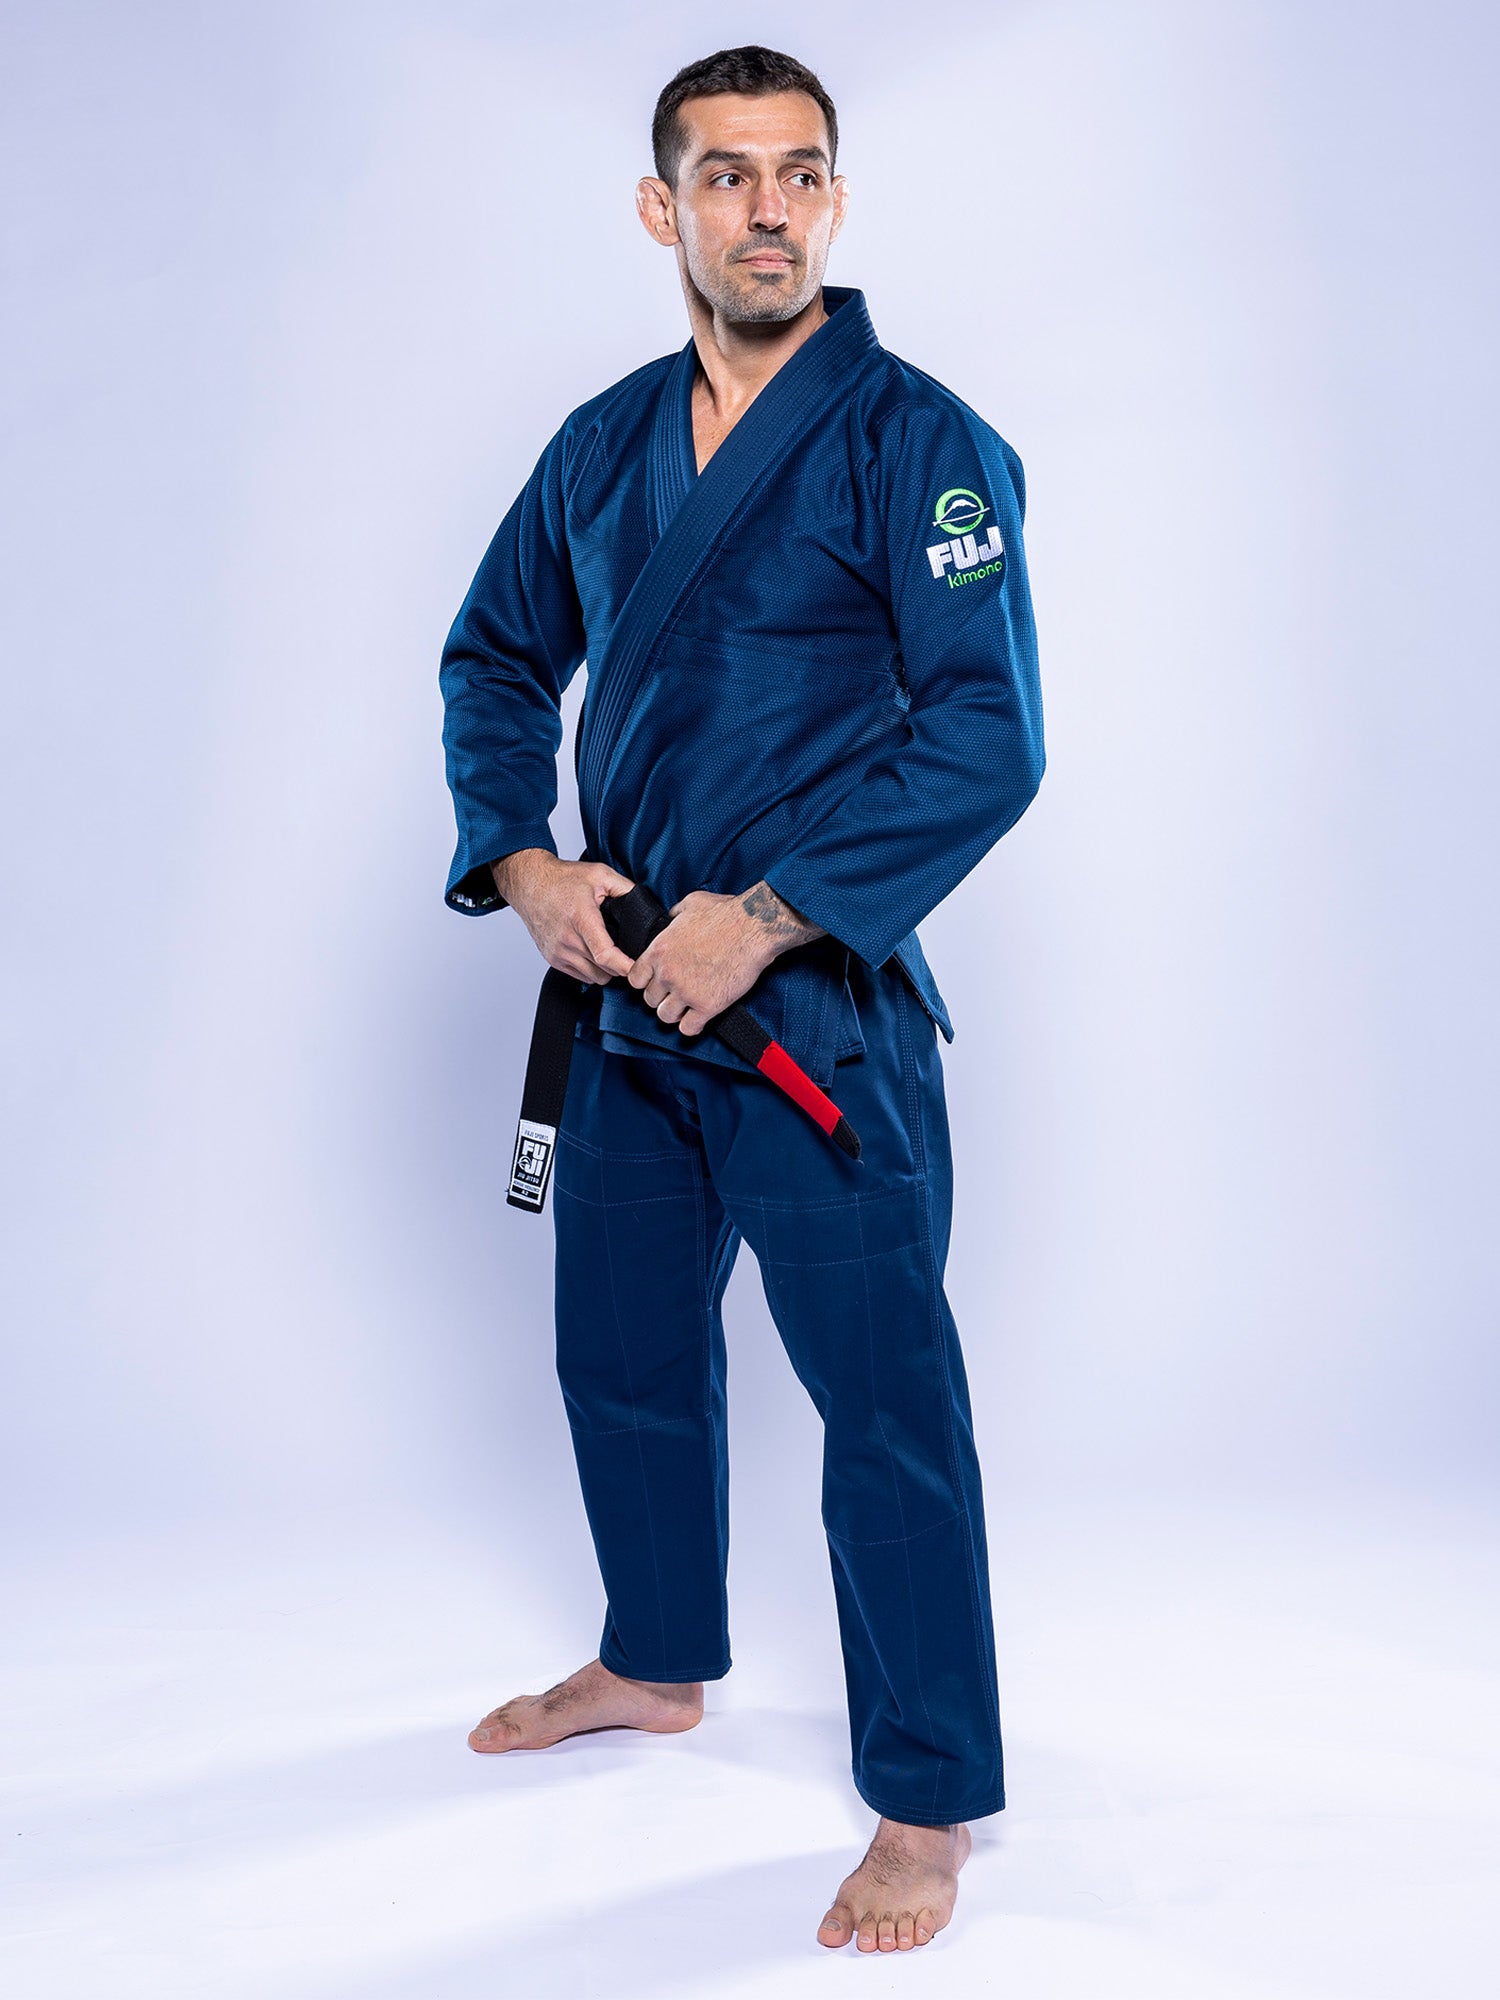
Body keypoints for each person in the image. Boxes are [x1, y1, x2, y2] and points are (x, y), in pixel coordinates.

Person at [438, 44, 1044, 1953]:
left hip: (813, 1017)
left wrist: (772, 913)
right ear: (665, 208)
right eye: (726, 176)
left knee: (885, 1409)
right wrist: (523, 860)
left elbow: (987, 737)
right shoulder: (602, 442)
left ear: (835, 204)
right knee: (620, 1351)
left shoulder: (919, 440)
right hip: (625, 995)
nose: (766, 208)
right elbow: (493, 658)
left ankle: (931, 1802)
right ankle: (654, 1659)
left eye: (800, 175)